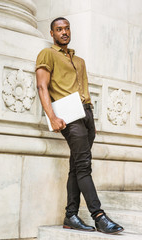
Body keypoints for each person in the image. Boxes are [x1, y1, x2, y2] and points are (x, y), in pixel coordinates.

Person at [36, 17, 124, 235]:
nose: (64, 32)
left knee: (77, 166)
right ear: (52, 33)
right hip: (68, 117)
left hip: (85, 114)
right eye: (59, 29)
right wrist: (52, 117)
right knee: (84, 166)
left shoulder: (80, 60)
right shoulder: (47, 54)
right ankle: (99, 216)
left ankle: (71, 215)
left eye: (66, 28)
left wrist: (90, 117)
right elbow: (42, 86)